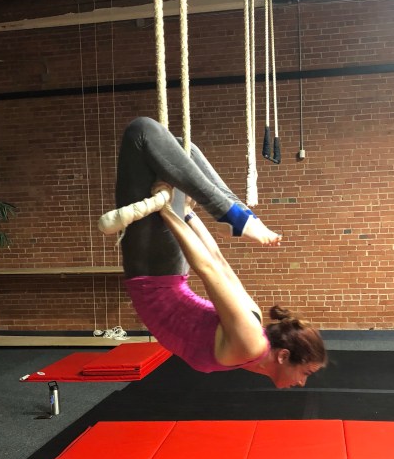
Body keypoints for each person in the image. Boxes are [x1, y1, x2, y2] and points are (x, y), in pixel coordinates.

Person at [98, 116, 327, 388]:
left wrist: (189, 216)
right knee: (142, 132)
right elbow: (208, 268)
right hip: (153, 276)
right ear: (284, 356)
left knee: (182, 150)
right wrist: (170, 214)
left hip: (169, 271)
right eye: (306, 373)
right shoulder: (250, 345)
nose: (301, 383)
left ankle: (237, 214)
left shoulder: (253, 322)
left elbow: (219, 263)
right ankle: (232, 213)